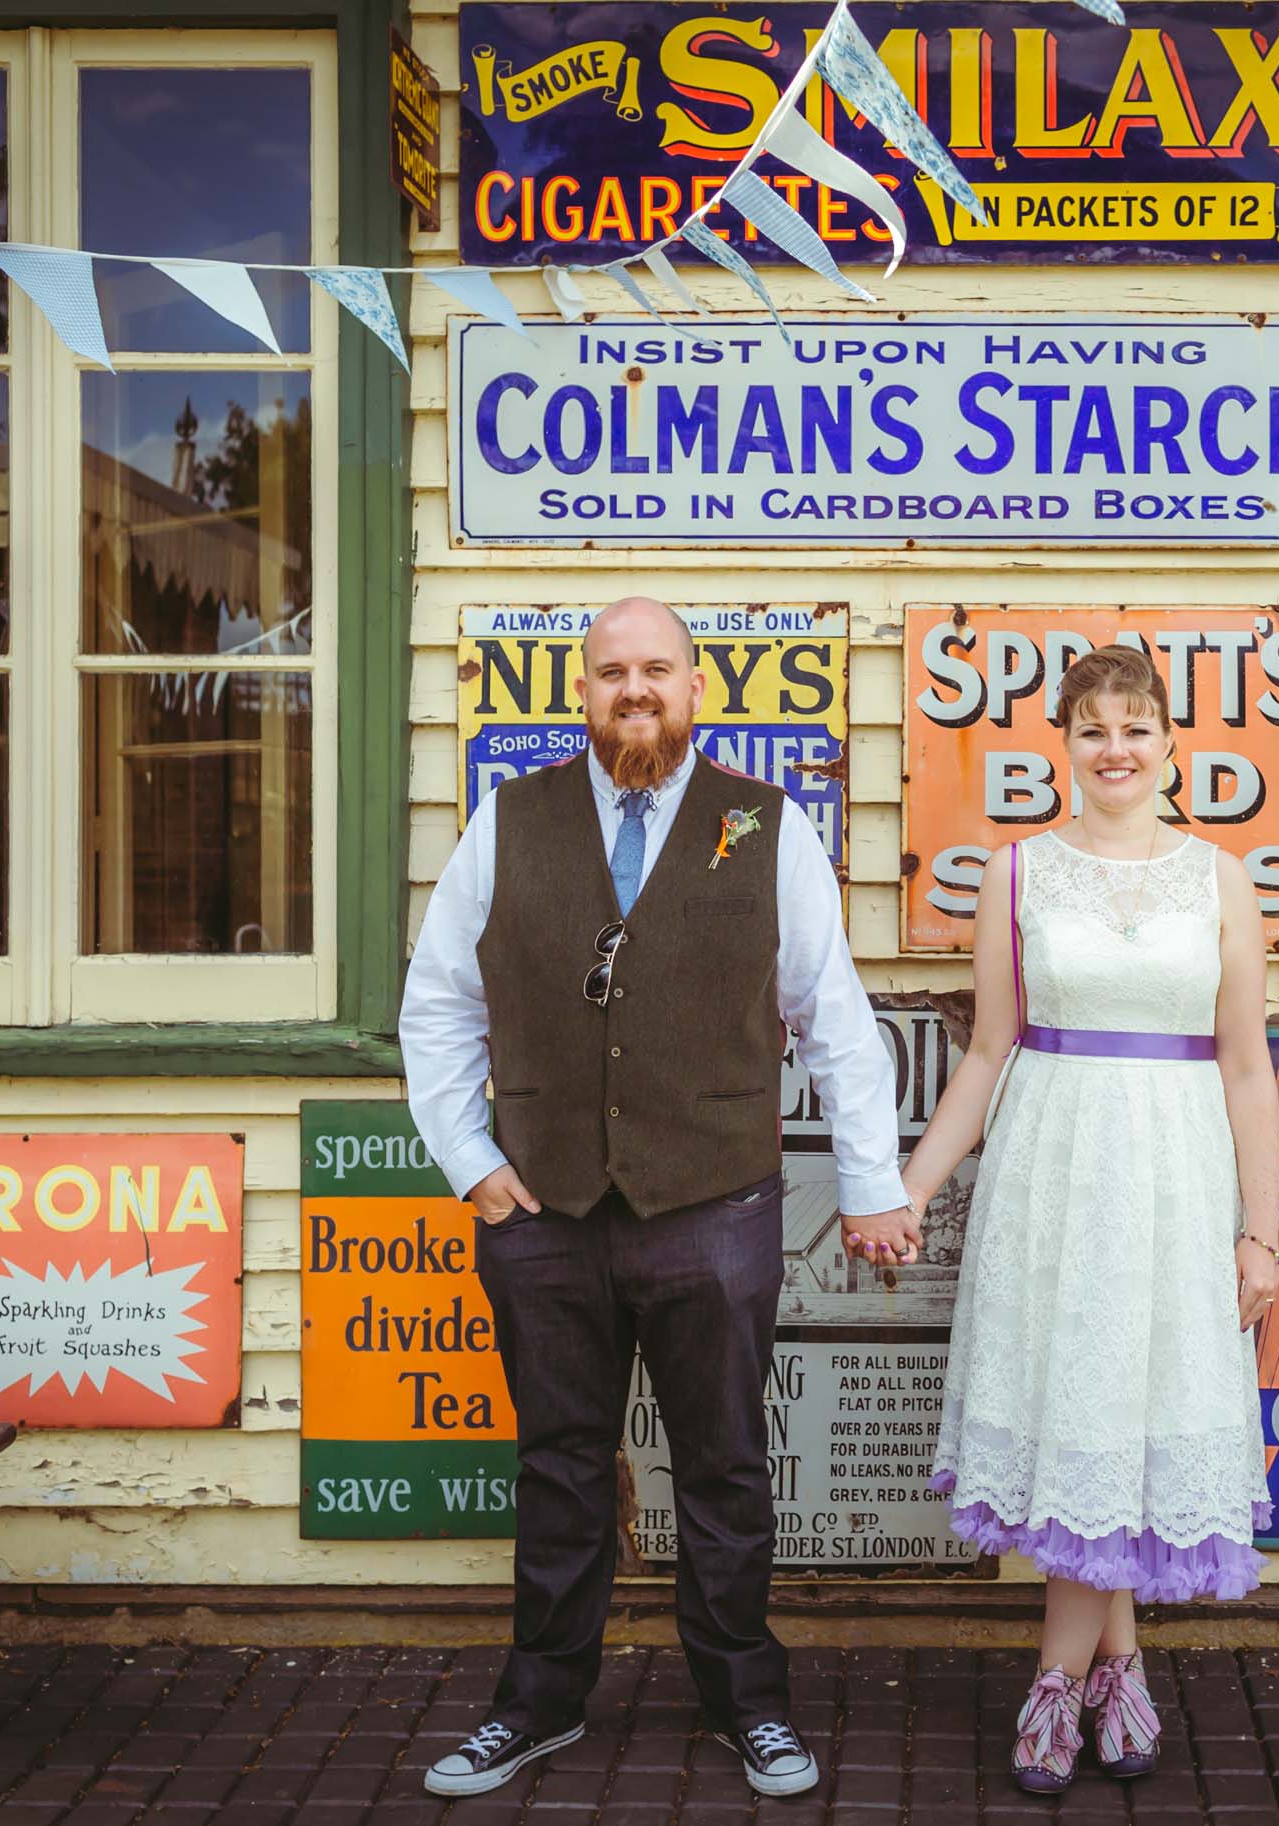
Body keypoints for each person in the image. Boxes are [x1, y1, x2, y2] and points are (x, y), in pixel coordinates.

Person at [398, 597, 918, 1800]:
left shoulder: (765, 825)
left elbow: (832, 1019)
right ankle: (536, 1703)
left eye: (657, 669)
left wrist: (869, 1180)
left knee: (727, 1465)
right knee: (561, 1465)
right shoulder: (505, 822)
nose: (635, 689)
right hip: (545, 1213)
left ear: (696, 688)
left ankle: (750, 1704)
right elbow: (437, 1005)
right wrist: (471, 1162)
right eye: (611, 671)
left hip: (714, 1206)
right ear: (582, 692)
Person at [896, 644, 1279, 1795]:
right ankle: (1113, 1673)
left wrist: (1258, 1228)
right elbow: (985, 1051)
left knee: (1123, 1415)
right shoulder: (1017, 874)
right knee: (1086, 1415)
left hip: (1172, 1175)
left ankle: (1057, 1683)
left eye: (1136, 725)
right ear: (1062, 745)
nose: (1115, 747)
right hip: (1053, 1175)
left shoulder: (1221, 879)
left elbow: (1249, 1066)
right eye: (1092, 728)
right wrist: (908, 1187)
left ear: (1172, 743)